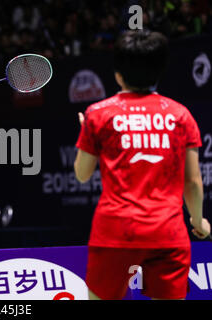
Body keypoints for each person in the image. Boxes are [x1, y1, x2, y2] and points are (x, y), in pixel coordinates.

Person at [74, 30, 210, 300]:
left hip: (115, 232)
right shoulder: (180, 115)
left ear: (118, 74)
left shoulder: (98, 115)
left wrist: (90, 138)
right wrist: (198, 221)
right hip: (167, 232)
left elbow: (82, 174)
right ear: (160, 70)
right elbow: (192, 181)